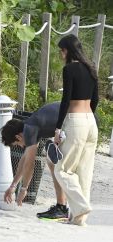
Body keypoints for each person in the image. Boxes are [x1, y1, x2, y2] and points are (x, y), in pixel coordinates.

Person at [54, 34, 99, 226]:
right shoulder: (91, 68)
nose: (60, 54)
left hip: (76, 121)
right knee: (84, 172)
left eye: (61, 51)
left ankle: (80, 206)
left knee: (62, 170)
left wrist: (58, 128)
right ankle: (79, 218)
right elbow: (95, 99)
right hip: (91, 123)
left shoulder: (70, 69)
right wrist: (88, 117)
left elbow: (66, 100)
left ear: (67, 50)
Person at [1, 102, 69, 220]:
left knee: (55, 164)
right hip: (80, 121)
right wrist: (13, 186)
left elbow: (30, 164)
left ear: (18, 137)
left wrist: (24, 189)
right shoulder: (30, 125)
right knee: (54, 163)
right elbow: (24, 159)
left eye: (17, 144)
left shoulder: (30, 129)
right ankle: (63, 206)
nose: (20, 146)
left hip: (78, 122)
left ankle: (62, 207)